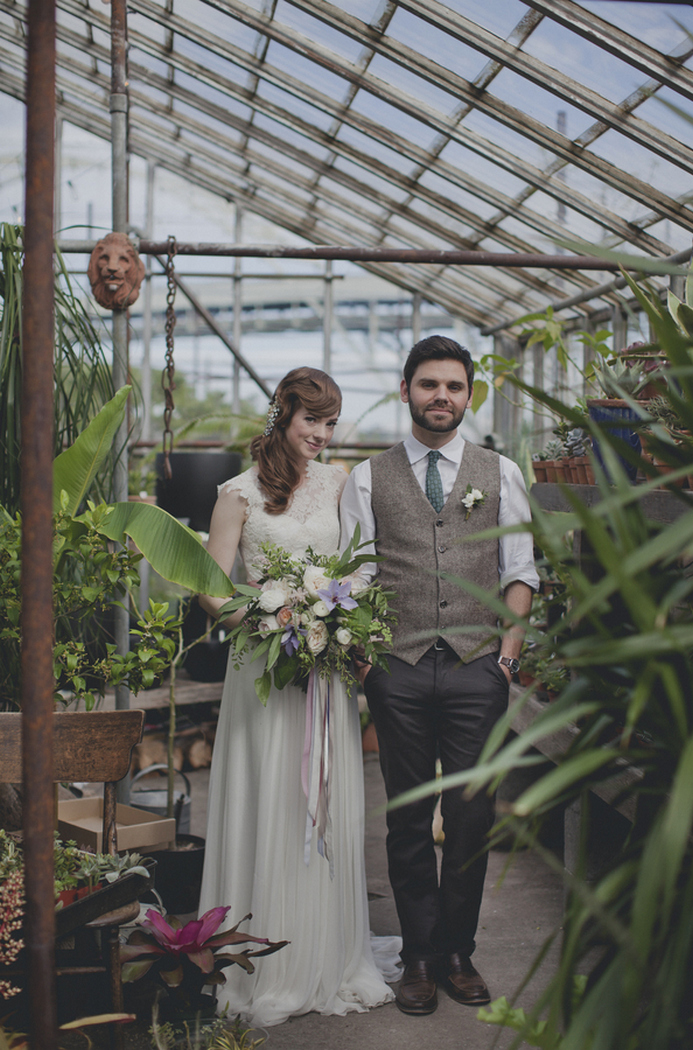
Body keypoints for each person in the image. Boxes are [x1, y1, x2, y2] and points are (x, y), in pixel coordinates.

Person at [339, 336, 538, 1016]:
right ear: (406, 391)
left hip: (477, 668)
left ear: (470, 395)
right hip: (395, 669)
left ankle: (458, 950)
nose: (441, 397)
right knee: (406, 817)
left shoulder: (500, 471)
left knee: (473, 814)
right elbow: (356, 575)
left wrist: (505, 659)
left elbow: (520, 572)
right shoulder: (367, 477)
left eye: (454, 386)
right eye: (428, 385)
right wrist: (367, 664)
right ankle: (418, 955)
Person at [198, 367, 396, 1028]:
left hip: (326, 666)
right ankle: (264, 962)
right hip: (263, 668)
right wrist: (267, 619)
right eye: (312, 419)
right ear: (282, 415)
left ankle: (329, 955)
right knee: (270, 798)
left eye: (331, 421)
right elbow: (211, 586)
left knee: (321, 803)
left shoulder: (341, 483)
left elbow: (361, 565)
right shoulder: (237, 494)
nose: (322, 433)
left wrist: (333, 619)